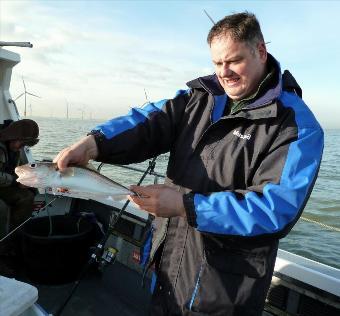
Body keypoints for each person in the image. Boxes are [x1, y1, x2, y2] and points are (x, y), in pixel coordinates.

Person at [54, 12, 324, 316]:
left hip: (224, 291)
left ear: (260, 51)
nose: (225, 73)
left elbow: (275, 210)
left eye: (234, 61)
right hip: (167, 267)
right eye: (217, 63)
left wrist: (186, 205)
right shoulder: (199, 99)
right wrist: (95, 143)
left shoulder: (297, 126)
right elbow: (147, 121)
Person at [0, 119, 39, 239]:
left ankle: (17, 237)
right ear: (12, 137)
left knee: (29, 195)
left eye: (24, 145)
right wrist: (16, 181)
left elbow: (18, 169)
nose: (21, 148)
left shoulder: (14, 148)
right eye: (21, 144)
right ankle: (4, 243)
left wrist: (27, 178)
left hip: (4, 185)